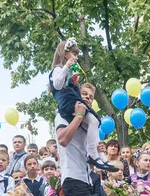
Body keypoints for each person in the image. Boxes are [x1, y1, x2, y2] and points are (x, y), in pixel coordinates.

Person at [49, 38, 116, 172]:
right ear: (65, 53)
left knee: (94, 122)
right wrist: (67, 66)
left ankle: (99, 156)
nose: (76, 57)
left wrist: (73, 79)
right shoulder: (58, 69)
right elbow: (57, 84)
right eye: (74, 53)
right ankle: (93, 156)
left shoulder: (67, 72)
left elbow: (68, 84)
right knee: (93, 120)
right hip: (68, 103)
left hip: (73, 100)